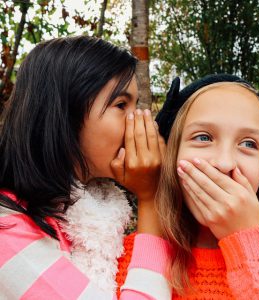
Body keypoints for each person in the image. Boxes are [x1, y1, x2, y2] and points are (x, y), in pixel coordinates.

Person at [0, 36, 172, 299]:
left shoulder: (85, 213)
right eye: (121, 105)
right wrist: (151, 198)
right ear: (64, 116)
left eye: (136, 106)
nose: (138, 122)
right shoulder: (6, 232)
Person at [117, 74, 259, 299]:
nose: (224, 164)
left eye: (248, 144)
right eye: (203, 137)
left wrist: (249, 246)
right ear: (171, 157)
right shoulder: (126, 259)